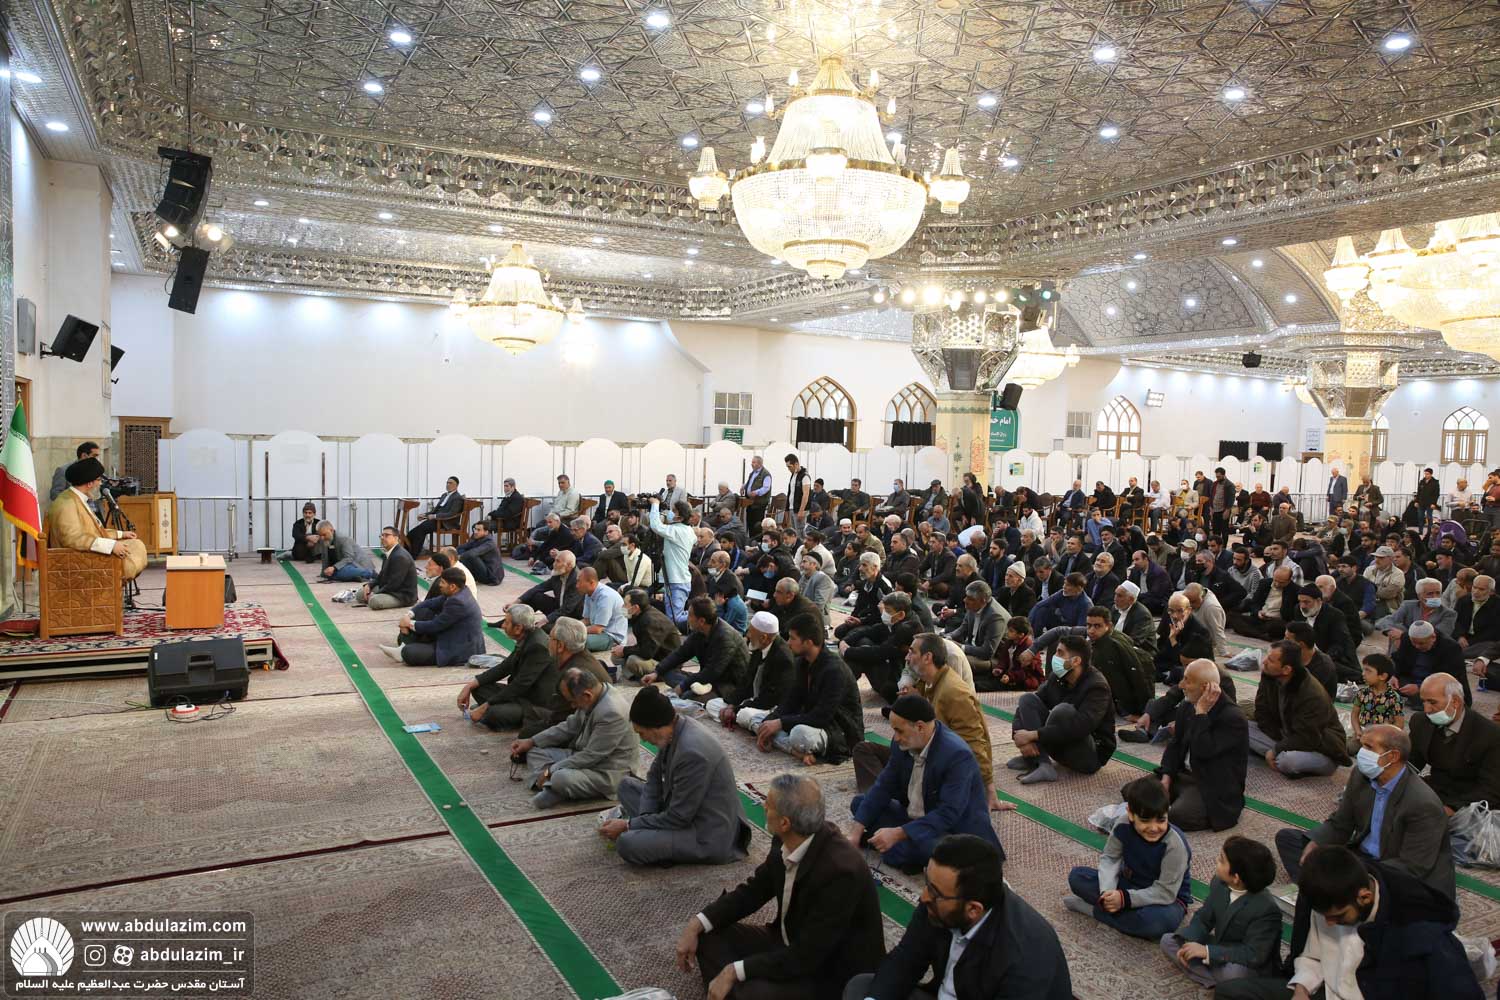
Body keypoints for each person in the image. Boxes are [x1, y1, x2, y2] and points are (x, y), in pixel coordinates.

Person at [682, 775, 884, 1000]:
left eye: (768, 803)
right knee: (707, 933)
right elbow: (753, 892)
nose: (763, 806)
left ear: (785, 822)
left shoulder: (841, 872)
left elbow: (806, 956)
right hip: (789, 944)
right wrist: (697, 922)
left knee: (752, 994)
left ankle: (734, 991)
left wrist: (735, 971)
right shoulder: (785, 839)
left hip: (827, 972)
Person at [844, 833, 1071, 1000]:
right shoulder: (938, 903)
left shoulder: (1025, 956)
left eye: (934, 892)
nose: (924, 897)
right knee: (862, 989)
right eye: (927, 883)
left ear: (973, 909)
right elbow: (907, 959)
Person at [1275, 724, 1455, 899]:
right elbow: (1341, 823)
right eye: (1362, 746)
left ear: (1392, 756)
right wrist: (1316, 842)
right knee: (1290, 840)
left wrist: (1357, 872)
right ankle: (1332, 892)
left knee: (1389, 892)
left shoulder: (1423, 803)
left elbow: (1413, 866)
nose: (1361, 753)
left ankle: (1332, 892)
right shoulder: (1361, 775)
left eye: (1369, 747)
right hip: (1362, 857)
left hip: (1396, 869)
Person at [847, 694, 1001, 873]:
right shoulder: (903, 744)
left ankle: (901, 850)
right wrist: (855, 833)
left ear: (920, 727)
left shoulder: (957, 755)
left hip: (953, 831)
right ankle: (901, 849)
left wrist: (898, 833)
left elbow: (948, 814)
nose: (895, 738)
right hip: (916, 818)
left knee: (931, 849)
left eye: (899, 731)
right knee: (860, 804)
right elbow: (883, 786)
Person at [600, 686, 751, 865]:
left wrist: (629, 825)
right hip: (684, 812)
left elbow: (678, 818)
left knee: (627, 843)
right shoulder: (674, 729)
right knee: (626, 786)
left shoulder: (692, 752)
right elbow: (653, 779)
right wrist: (643, 819)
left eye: (641, 733)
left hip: (707, 833)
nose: (642, 739)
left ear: (655, 726)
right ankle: (652, 836)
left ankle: (658, 845)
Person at [854, 634, 995, 799]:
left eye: (912, 652)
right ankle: (881, 795)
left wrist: (988, 789)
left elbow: (975, 743)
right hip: (921, 754)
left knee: (895, 753)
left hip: (936, 765)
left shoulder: (954, 692)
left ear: (927, 657)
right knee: (864, 750)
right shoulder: (927, 682)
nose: (907, 658)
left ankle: (883, 797)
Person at [1064, 776, 1190, 939]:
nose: (1153, 828)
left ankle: (1094, 911)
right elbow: (1110, 858)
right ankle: (1120, 912)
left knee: (1155, 923)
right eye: (1145, 820)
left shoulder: (1175, 844)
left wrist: (1125, 899)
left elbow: (1166, 892)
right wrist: (1108, 892)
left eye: (1161, 820)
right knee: (1077, 877)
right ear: (1130, 813)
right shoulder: (1122, 824)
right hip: (1129, 885)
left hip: (1166, 899)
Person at [1161, 836, 1282, 989]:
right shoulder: (1219, 883)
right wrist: (1189, 941)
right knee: (1168, 941)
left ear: (1236, 877)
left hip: (1246, 962)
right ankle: (1215, 981)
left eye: (1222, 860)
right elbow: (1203, 918)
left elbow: (1253, 954)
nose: (1216, 861)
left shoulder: (1266, 908)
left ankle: (1216, 979)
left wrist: (1208, 952)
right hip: (1221, 947)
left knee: (1233, 975)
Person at [512, 663, 637, 809]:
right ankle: (553, 787)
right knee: (534, 751)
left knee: (560, 778)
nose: (572, 706)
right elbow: (569, 726)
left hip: (607, 771)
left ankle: (554, 785)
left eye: (573, 701)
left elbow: (592, 756)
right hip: (582, 756)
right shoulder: (594, 696)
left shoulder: (611, 712)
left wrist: (550, 771)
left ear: (587, 695)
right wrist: (532, 741)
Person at [1007, 633, 1115, 784]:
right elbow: (1031, 705)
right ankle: (1039, 761)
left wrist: (1034, 735)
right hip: (1063, 743)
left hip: (1090, 755)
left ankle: (1039, 760)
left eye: (1060, 653)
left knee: (1063, 711)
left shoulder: (1097, 686)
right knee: (1027, 699)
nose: (1054, 657)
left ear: (1076, 661)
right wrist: (1020, 737)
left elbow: (1081, 726)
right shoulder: (1058, 677)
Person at [757, 614, 863, 765]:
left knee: (799, 735)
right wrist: (769, 722)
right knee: (756, 720)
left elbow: (821, 716)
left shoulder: (834, 670)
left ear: (808, 642)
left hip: (838, 730)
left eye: (792, 638)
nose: (788, 643)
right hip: (809, 720)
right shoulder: (802, 663)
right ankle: (796, 750)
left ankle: (792, 748)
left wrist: (780, 723)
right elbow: (791, 702)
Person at [1155, 659, 1249, 831]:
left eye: (1187, 681)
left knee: (1178, 816)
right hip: (1183, 774)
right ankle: (1174, 797)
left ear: (1205, 687)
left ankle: (1183, 803)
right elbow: (1175, 744)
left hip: (1211, 784)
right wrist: (1166, 778)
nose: (1181, 685)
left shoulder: (1233, 717)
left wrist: (1201, 714)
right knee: (1134, 793)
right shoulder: (1187, 706)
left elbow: (1203, 751)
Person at [1249, 640, 1351, 777]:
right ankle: (1275, 752)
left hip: (1319, 748)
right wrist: (1279, 742)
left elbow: (1307, 737)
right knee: (1237, 725)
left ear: (1286, 669)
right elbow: (1262, 711)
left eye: (1271, 660)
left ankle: (1276, 754)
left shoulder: (1311, 694)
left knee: (1287, 761)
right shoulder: (1269, 676)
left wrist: (1276, 749)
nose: (1264, 662)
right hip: (1288, 735)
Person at [458, 604, 561, 736]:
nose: (503, 626)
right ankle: (498, 707)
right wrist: (470, 686)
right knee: (478, 688)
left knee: (494, 714)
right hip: (521, 696)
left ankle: (501, 712)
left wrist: (486, 706)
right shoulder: (526, 638)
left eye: (506, 622)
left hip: (534, 703)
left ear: (518, 628)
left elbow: (519, 685)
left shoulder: (537, 646)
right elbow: (504, 667)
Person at [1408, 672, 1500, 818]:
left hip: (1469, 802)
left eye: (1432, 702)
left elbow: (1491, 789)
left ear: (1455, 701)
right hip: (1435, 791)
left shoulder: (1489, 734)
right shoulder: (1421, 722)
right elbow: (1411, 762)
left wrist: (1451, 810)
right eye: (1423, 701)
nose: (1426, 709)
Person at [45, 458, 148, 581]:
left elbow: (93, 531)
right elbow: (72, 539)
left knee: (136, 544)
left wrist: (121, 534)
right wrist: (111, 545)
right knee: (130, 558)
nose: (100, 484)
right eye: (99, 480)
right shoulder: (67, 504)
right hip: (78, 563)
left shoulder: (76, 498)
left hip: (86, 555)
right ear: (89, 484)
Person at [647, 596, 751, 704]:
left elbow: (711, 672)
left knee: (688, 696)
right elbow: (680, 653)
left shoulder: (725, 638)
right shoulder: (700, 632)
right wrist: (657, 672)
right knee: (667, 673)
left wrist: (683, 686)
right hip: (707, 679)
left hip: (726, 684)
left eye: (690, 615)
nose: (687, 618)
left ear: (701, 621)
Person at [381, 567, 485, 665]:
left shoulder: (458, 602)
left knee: (409, 653)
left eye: (442, 582)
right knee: (423, 611)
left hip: (459, 648)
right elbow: (430, 602)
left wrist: (408, 624)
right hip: (450, 635)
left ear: (452, 586)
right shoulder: (459, 590)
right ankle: (402, 647)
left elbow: (436, 625)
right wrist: (409, 614)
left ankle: (403, 649)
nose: (440, 585)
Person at [710, 612, 796, 731]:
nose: (748, 635)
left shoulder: (783, 658)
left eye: (751, 632)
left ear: (763, 637)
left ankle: (753, 724)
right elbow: (747, 682)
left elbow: (769, 699)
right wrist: (732, 704)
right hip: (752, 701)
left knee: (744, 714)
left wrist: (736, 709)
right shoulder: (758, 647)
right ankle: (738, 719)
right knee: (713, 704)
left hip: (769, 708)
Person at [844, 591, 922, 704]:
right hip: (900, 670)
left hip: (902, 679)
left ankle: (842, 691)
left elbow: (880, 652)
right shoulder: (899, 620)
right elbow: (871, 630)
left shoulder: (907, 630)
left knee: (861, 656)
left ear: (901, 614)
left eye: (888, 611)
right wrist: (845, 641)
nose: (884, 613)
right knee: (862, 642)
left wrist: (847, 651)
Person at [1391, 620, 1470, 706]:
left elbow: (1449, 678)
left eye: (1421, 643)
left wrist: (1420, 687)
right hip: (1411, 679)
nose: (1417, 646)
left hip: (1437, 684)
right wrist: (1394, 675)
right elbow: (1399, 660)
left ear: (1433, 637)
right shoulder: (1407, 638)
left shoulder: (1450, 647)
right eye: (1414, 643)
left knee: (1436, 699)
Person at [617, 587, 682, 681]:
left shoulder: (650, 621)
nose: (623, 607)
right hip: (654, 655)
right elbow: (644, 646)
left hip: (667, 664)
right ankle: (634, 674)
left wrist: (624, 650)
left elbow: (647, 652)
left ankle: (658, 675)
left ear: (635, 607)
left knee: (632, 661)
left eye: (625, 604)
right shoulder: (639, 615)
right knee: (616, 656)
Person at [943, 580, 1008, 671]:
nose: (965, 600)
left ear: (982, 601)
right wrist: (948, 637)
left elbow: (987, 652)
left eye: (970, 598)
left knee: (953, 660)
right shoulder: (973, 606)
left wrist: (961, 647)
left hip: (992, 659)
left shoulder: (996, 617)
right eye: (966, 596)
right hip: (973, 647)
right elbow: (963, 628)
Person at [650, 498, 696, 624]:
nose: (670, 513)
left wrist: (655, 505)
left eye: (674, 511)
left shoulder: (677, 530)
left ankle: (702, 617)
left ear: (680, 518)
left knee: (675, 618)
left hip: (677, 580)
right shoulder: (687, 530)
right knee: (673, 615)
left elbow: (655, 526)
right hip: (676, 579)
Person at [1348, 653, 1404, 755]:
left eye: (1368, 671)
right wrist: (1358, 731)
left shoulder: (1394, 698)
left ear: (1382, 676)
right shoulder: (1362, 693)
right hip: (1364, 734)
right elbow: (1354, 714)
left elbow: (1399, 724)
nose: (1363, 674)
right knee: (1350, 748)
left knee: (1382, 753)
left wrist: (1385, 737)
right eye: (1363, 670)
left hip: (1383, 738)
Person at [356, 526, 418, 609]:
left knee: (374, 601)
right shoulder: (389, 553)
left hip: (402, 595)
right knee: (360, 594)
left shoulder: (400, 556)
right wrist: (369, 585)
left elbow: (394, 584)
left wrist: (376, 593)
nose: (383, 538)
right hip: (390, 589)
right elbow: (381, 576)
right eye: (382, 535)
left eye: (387, 535)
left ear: (396, 538)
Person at [1377, 576, 1457, 639]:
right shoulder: (1408, 605)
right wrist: (1390, 631)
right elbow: (1385, 621)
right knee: (1396, 629)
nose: (1435, 597)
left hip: (1432, 648)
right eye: (1430, 594)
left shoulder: (1449, 614)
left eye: (1438, 593)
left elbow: (1436, 635)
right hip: (1406, 645)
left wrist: (1403, 635)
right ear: (1419, 596)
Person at [404, 476, 463, 557]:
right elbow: (435, 510)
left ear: (456, 485)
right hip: (437, 520)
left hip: (446, 522)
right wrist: (425, 515)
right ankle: (406, 550)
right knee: (414, 531)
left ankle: (414, 554)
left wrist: (435, 516)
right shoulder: (444, 495)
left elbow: (452, 513)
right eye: (447, 483)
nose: (448, 485)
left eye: (450, 483)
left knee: (422, 529)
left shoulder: (457, 498)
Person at [575, 566, 627, 654]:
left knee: (574, 641)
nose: (577, 585)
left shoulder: (605, 597)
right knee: (568, 635)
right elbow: (587, 620)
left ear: (591, 583)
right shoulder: (589, 593)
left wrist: (575, 631)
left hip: (612, 637)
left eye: (579, 582)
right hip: (599, 632)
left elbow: (597, 629)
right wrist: (571, 626)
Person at [455, 520, 504, 586]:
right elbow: (461, 547)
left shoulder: (490, 543)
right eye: (475, 529)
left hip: (491, 576)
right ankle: (460, 576)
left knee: (470, 556)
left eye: (478, 530)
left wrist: (459, 556)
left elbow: (472, 554)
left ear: (486, 532)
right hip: (483, 570)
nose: (475, 532)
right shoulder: (478, 539)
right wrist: (452, 551)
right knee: (463, 551)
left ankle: (461, 577)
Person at [741, 455, 773, 526]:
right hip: (750, 502)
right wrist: (744, 486)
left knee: (757, 524)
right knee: (749, 522)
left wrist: (756, 492)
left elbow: (766, 488)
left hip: (759, 504)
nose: (751, 464)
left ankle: (756, 534)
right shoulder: (753, 473)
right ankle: (750, 533)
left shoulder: (766, 474)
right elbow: (750, 483)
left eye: (754, 462)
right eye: (752, 462)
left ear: (759, 464)